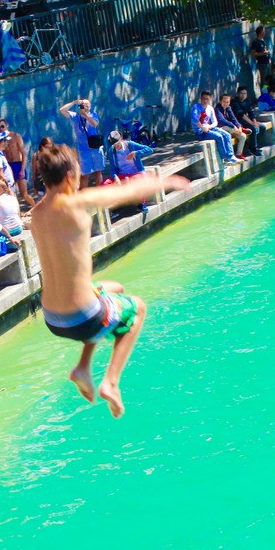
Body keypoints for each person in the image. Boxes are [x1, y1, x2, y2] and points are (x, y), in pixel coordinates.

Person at [30, 144, 189, 418]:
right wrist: (166, 181)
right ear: (70, 176)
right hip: (83, 318)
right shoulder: (74, 203)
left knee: (112, 288)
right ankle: (111, 383)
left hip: (53, 318)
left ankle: (82, 367)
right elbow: (126, 192)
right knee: (137, 307)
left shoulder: (36, 213)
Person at [58, 98, 105, 188]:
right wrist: (74, 102)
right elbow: (62, 110)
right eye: (83, 105)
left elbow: (94, 124)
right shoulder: (75, 116)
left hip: (95, 148)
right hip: (84, 150)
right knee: (85, 175)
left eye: (87, 105)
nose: (85, 106)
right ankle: (84, 195)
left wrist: (85, 115)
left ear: (90, 106)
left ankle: (101, 194)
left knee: (98, 172)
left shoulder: (93, 114)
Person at [190, 90, 238, 164]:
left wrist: (209, 126)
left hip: (209, 128)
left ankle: (231, 156)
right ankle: (224, 158)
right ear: (201, 99)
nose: (205, 101)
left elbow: (215, 122)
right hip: (200, 131)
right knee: (219, 136)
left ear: (210, 99)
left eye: (207, 99)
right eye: (203, 99)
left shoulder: (210, 108)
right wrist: (203, 128)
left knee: (227, 135)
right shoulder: (196, 107)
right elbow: (194, 118)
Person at [0, 119, 34, 207]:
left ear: (7, 125)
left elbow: (23, 153)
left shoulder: (15, 136)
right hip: (9, 166)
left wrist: (22, 169)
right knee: (11, 193)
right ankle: (16, 211)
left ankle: (35, 206)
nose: (1, 129)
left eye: (2, 126)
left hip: (18, 165)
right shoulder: (0, 140)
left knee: (24, 194)